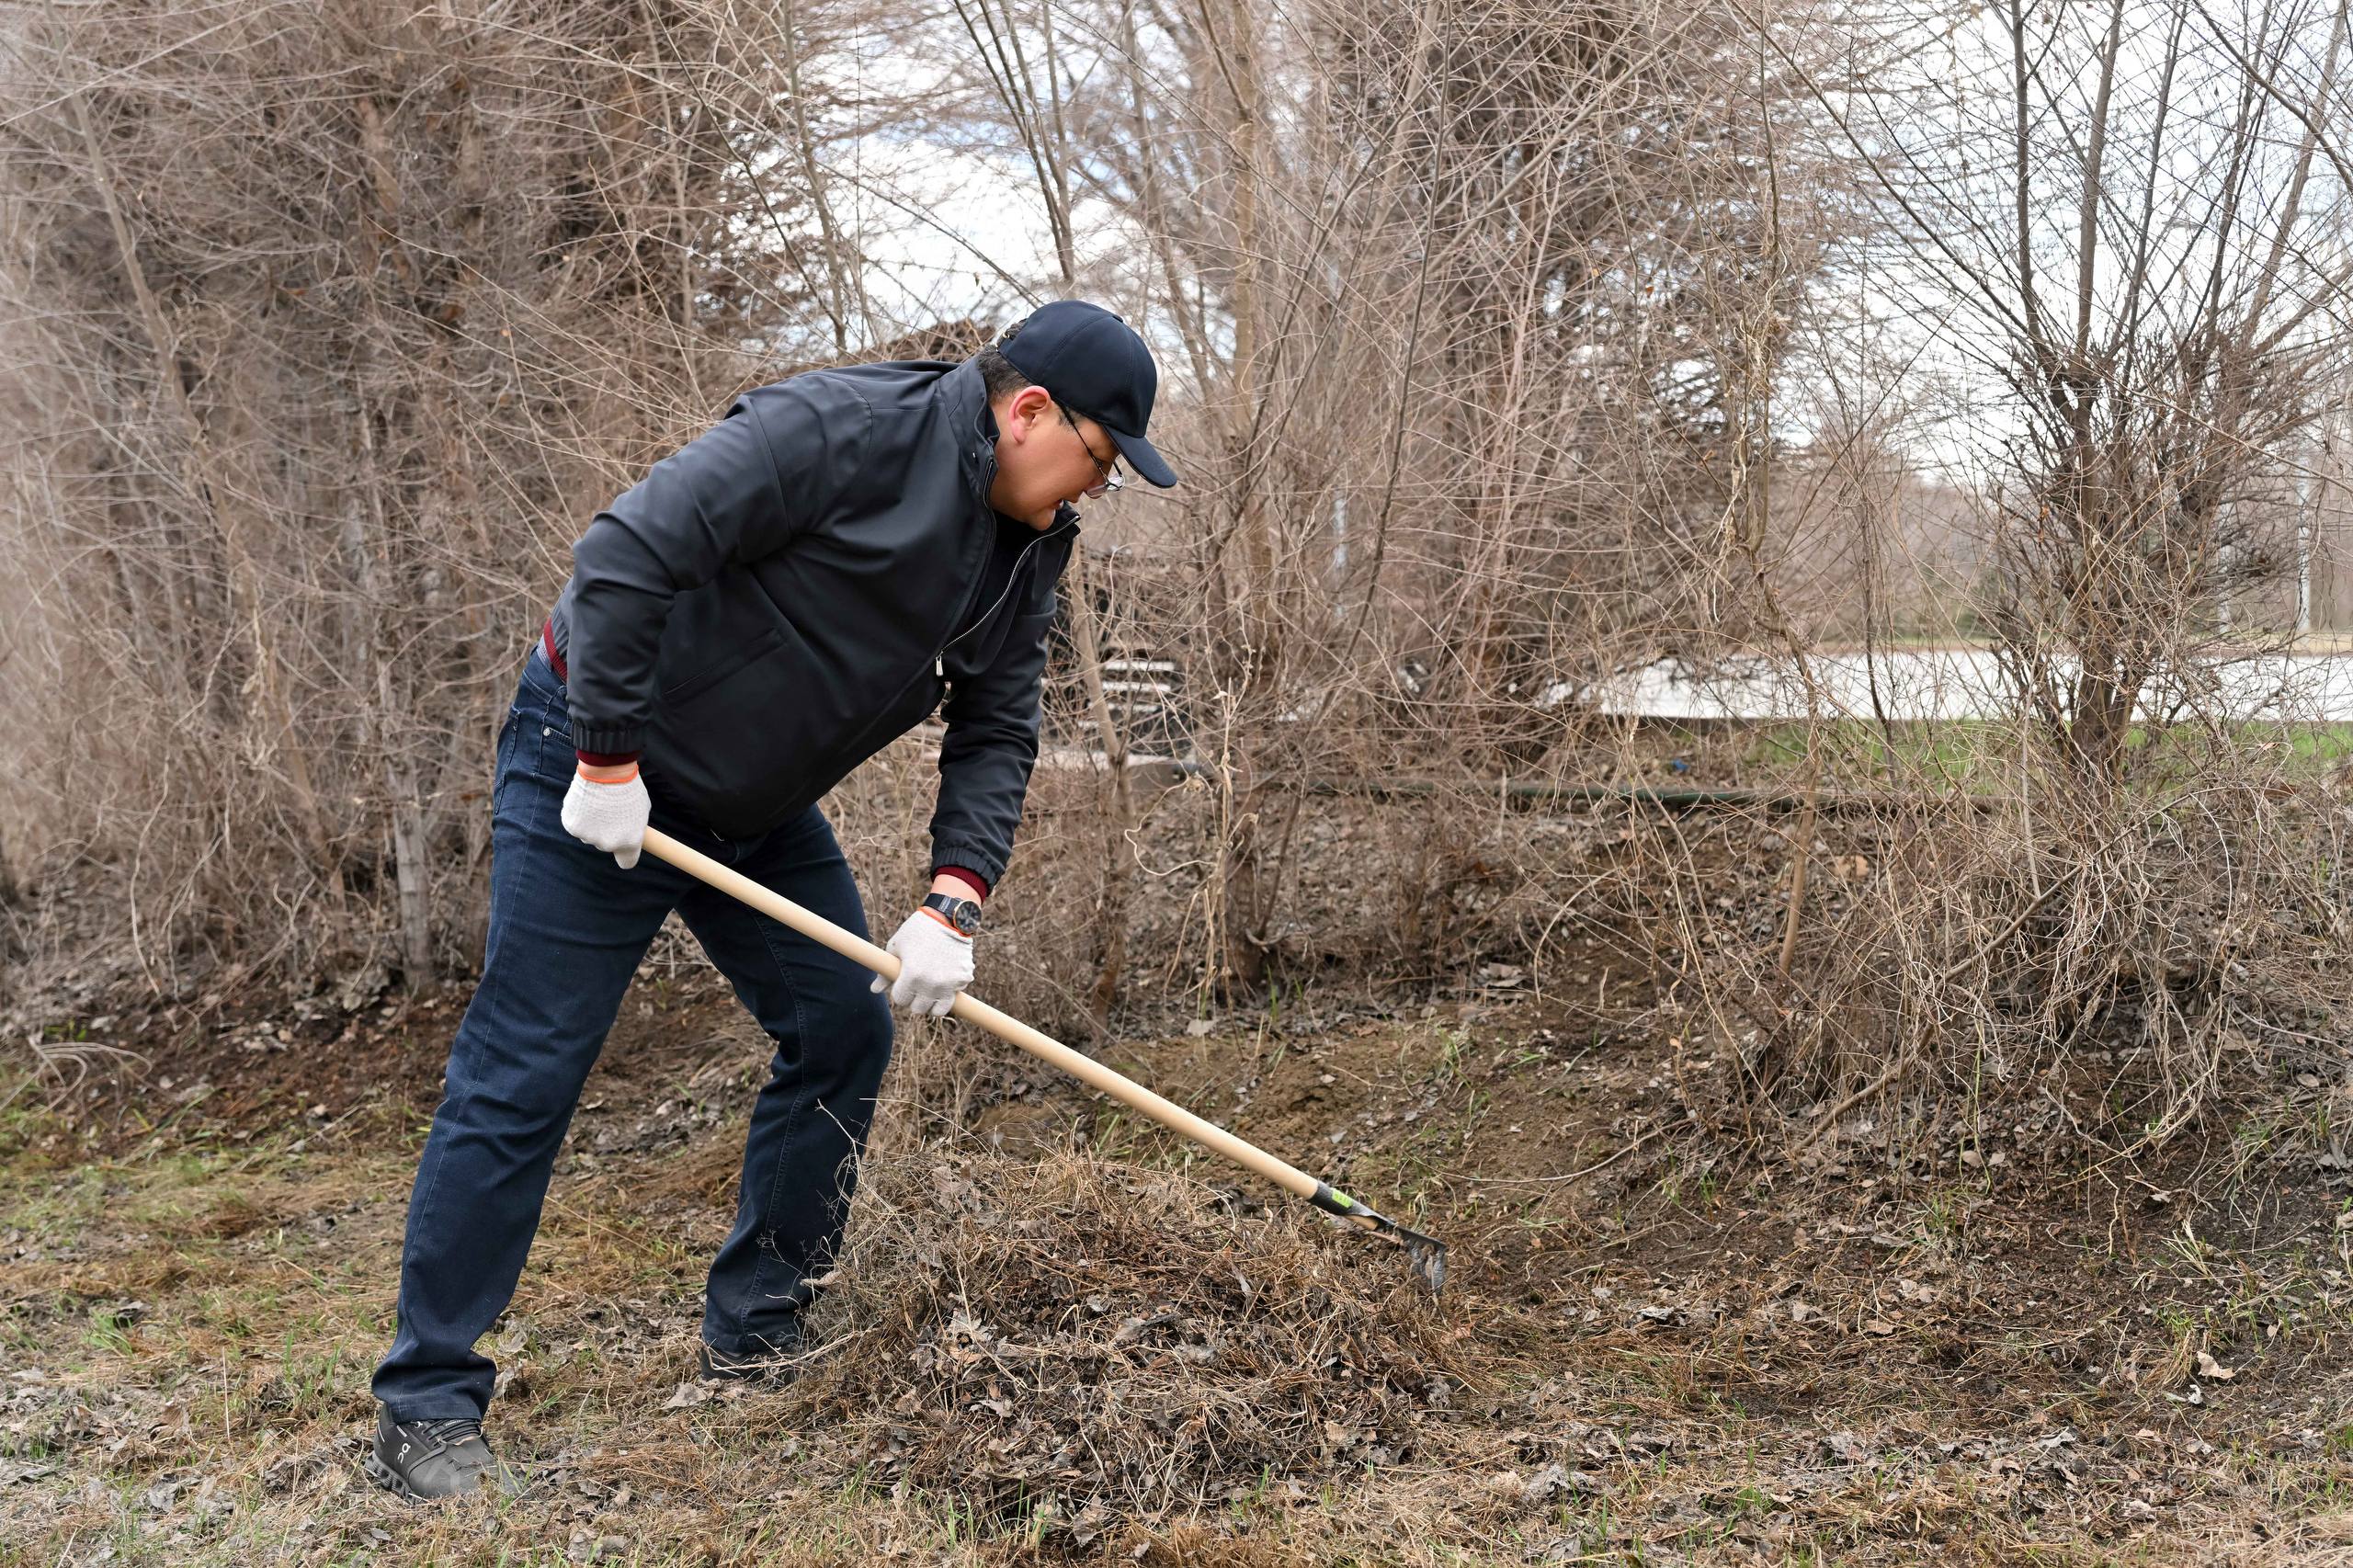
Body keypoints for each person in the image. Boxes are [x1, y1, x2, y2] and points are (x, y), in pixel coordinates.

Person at [362, 301, 1177, 1501]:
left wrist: (954, 903)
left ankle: (758, 1328)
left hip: (749, 803)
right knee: (528, 1064)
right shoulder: (840, 428)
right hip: (600, 759)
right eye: (1098, 460)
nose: (1093, 491)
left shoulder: (1030, 545)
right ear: (1027, 412)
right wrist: (600, 759)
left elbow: (999, 727)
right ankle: (425, 1403)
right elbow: (628, 551)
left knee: (842, 1026)